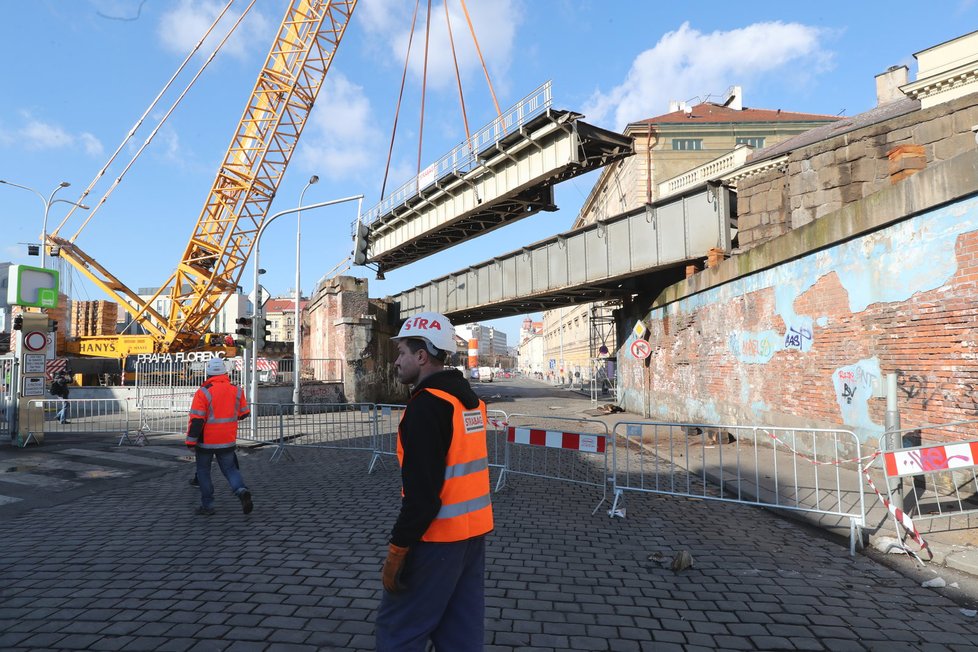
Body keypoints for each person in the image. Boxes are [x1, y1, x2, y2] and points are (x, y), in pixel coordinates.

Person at [376, 311, 494, 651]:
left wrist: (399, 548)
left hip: (436, 539)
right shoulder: (467, 401)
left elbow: (422, 495)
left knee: (398, 629)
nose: (397, 361)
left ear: (423, 356)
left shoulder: (427, 407)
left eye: (402, 353)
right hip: (472, 536)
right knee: (460, 632)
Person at [185, 358, 253, 516]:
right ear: (225, 372)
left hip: (205, 442)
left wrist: (190, 441)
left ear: (207, 373)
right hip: (227, 439)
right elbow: (244, 414)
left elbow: (197, 419)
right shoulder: (236, 390)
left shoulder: (203, 392)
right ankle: (241, 490)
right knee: (230, 469)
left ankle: (207, 505)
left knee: (203, 471)